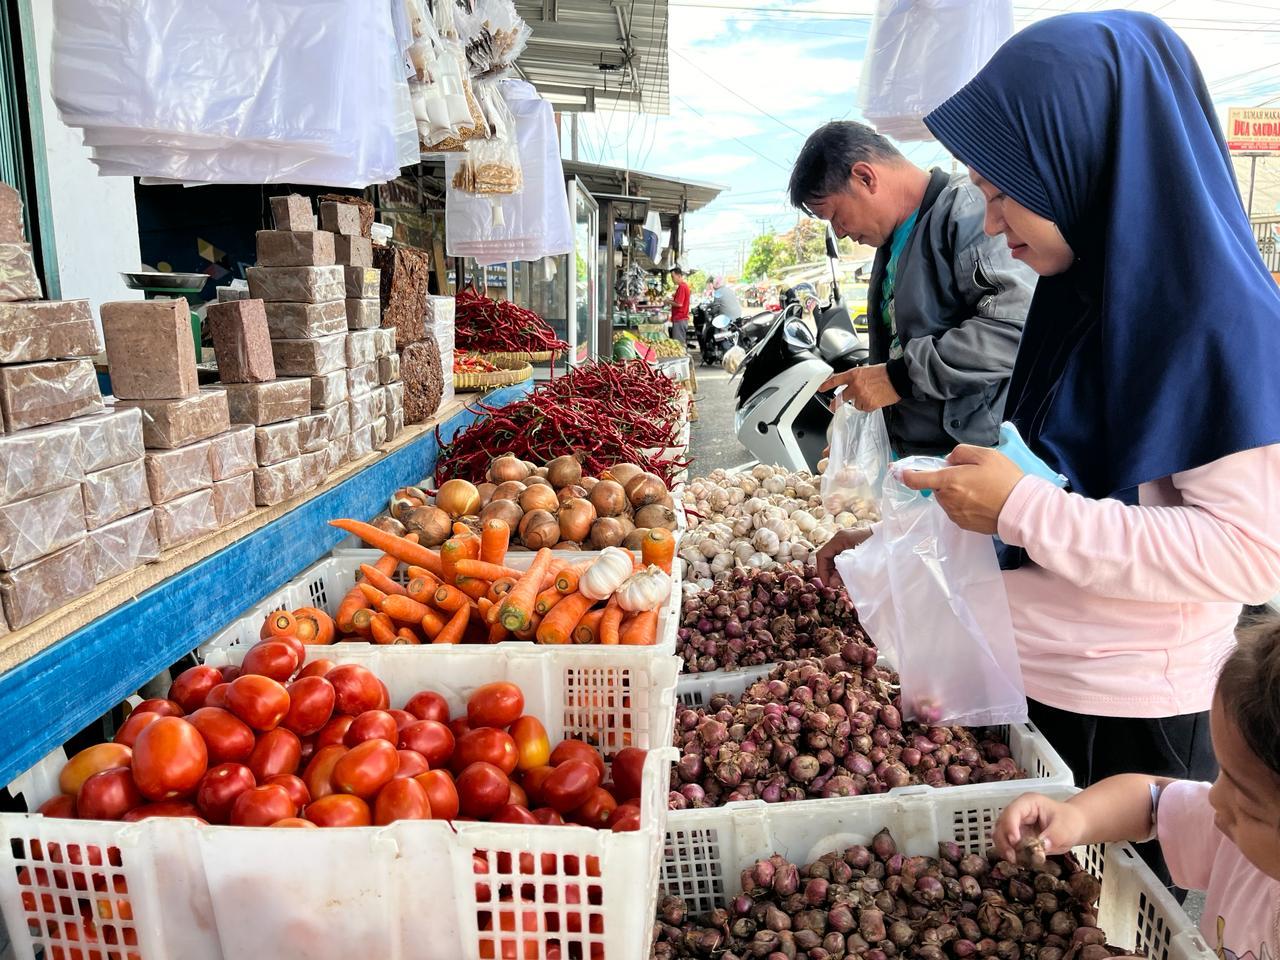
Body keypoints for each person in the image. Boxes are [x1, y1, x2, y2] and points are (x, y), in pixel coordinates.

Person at [818, 11, 1280, 891]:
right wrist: (900, 542)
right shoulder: (1081, 298)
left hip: (1135, 722)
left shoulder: (1220, 328)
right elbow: (1046, 478)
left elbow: (1247, 551)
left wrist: (1020, 509)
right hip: (1036, 689)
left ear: (1085, 162)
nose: (991, 226)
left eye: (1002, 193)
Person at [992, 621, 1280, 959]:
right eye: (1223, 774)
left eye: (1247, 802)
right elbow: (1152, 801)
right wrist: (1076, 816)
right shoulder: (1233, 836)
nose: (1216, 798)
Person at [788, 121, 1035, 456]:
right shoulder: (890, 245)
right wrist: (868, 437)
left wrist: (899, 378)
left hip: (971, 459)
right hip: (914, 462)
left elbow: (1014, 329)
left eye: (835, 216)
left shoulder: (966, 210)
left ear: (865, 177)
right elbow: (896, 350)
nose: (840, 233)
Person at [668, 267, 691, 345]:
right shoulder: (683, 286)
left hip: (680, 319)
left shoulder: (682, 287)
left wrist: (668, 301)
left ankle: (683, 357)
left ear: (679, 276)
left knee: (679, 344)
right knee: (680, 343)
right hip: (680, 319)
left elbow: (679, 304)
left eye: (672, 277)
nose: (672, 279)